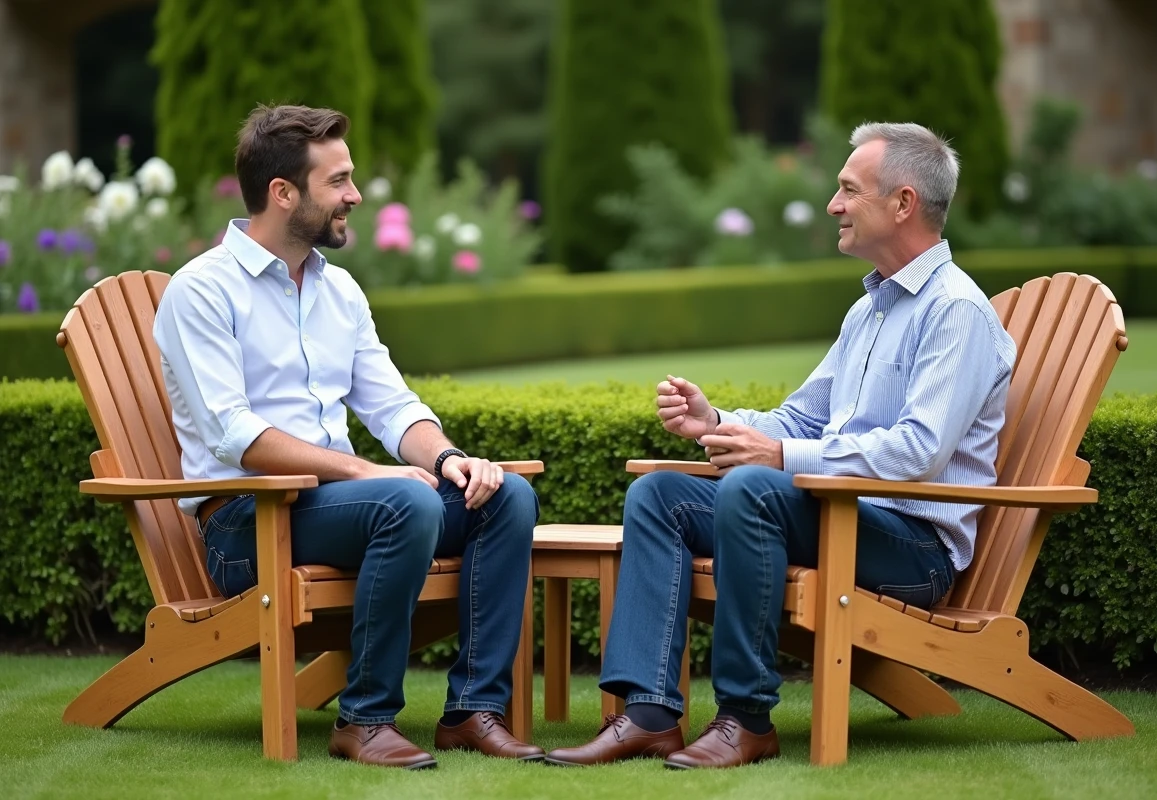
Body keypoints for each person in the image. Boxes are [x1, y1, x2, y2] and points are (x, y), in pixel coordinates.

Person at [545, 122, 1017, 769]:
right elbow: (801, 417)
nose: (833, 204)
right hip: (841, 515)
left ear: (903, 203)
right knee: (659, 495)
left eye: (848, 189)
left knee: (754, 489)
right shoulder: (872, 310)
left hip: (913, 548)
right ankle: (649, 713)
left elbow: (917, 452)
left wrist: (781, 460)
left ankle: (746, 719)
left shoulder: (955, 311)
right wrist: (716, 420)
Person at [153, 104, 543, 769]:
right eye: (338, 181)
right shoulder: (203, 292)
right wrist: (366, 473)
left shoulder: (341, 294)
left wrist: (450, 458)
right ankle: (363, 721)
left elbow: (393, 408)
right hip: (248, 522)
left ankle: (473, 711)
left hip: (343, 510)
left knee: (503, 498)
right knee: (406, 502)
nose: (354, 196)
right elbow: (235, 436)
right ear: (284, 193)